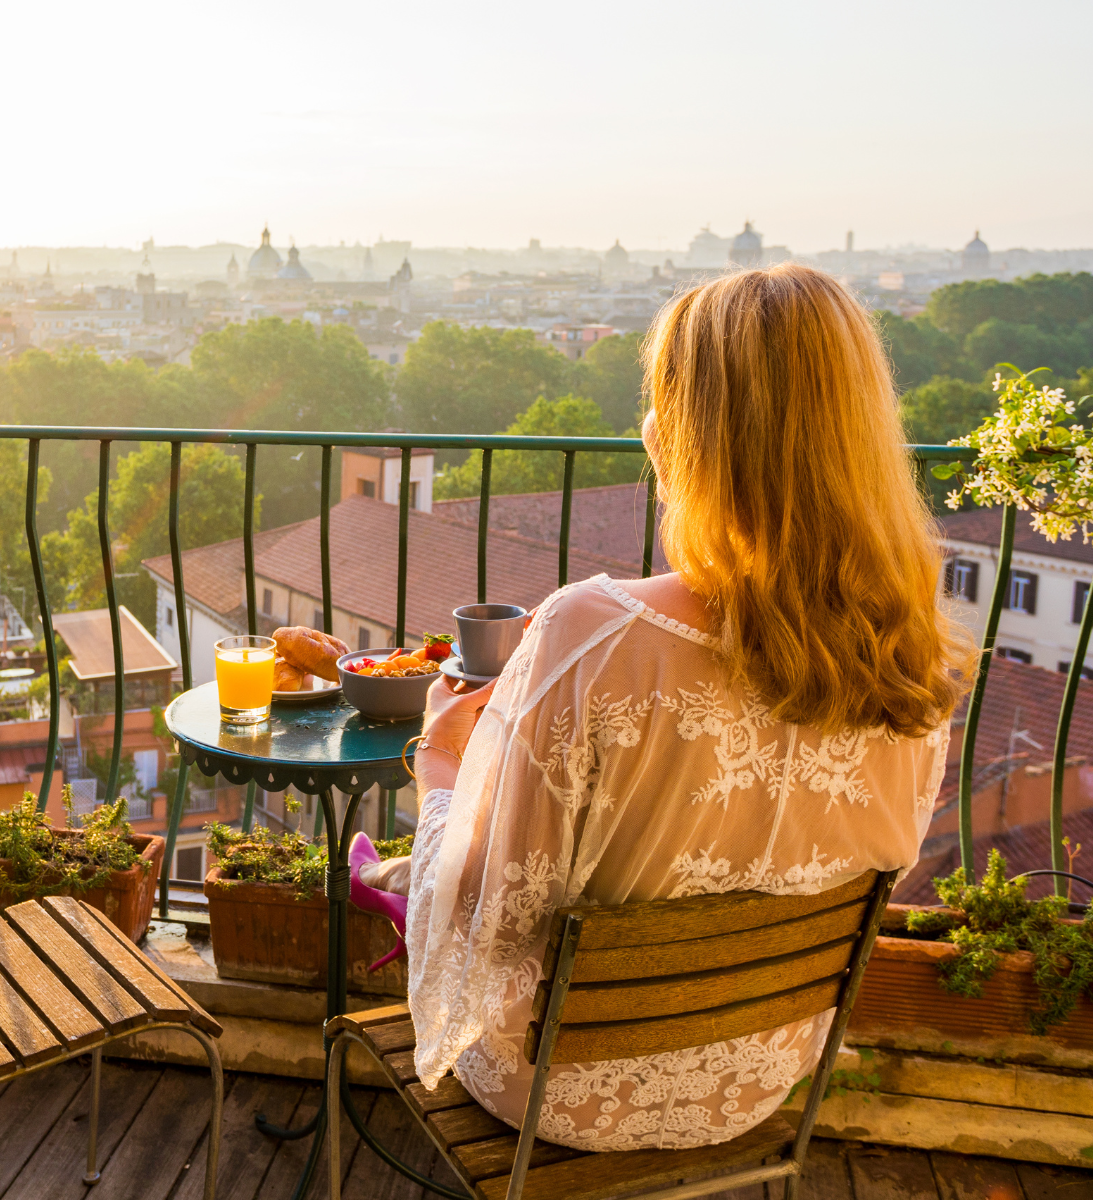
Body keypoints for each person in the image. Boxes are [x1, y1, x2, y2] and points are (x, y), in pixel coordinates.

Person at [351, 263, 975, 1152]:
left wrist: (444, 763)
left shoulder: (595, 631)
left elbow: (497, 924)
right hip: (759, 1078)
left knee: (443, 863)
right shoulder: (910, 645)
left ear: (684, 433)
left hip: (556, 1092)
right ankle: (387, 880)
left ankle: (382, 879)